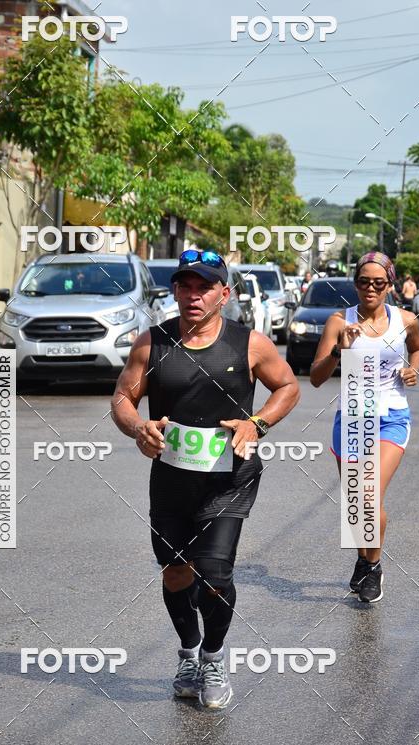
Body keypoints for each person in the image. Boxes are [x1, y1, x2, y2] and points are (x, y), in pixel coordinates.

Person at [111, 249, 300, 708]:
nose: (193, 296)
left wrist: (258, 423)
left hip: (230, 479)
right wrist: (138, 428)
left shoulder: (249, 344)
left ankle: (214, 657)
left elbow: (288, 386)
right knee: (176, 571)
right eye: (186, 286)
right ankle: (189, 653)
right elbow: (122, 398)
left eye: (204, 288)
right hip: (172, 479)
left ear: (223, 294)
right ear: (175, 291)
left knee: (214, 573)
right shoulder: (151, 344)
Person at [310, 252, 419, 603]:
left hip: (392, 417)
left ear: (390, 285)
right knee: (355, 502)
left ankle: (373, 566)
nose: (370, 288)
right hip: (352, 419)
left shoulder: (405, 320)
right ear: (355, 284)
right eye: (363, 282)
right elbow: (315, 378)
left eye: (378, 283)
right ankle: (364, 559)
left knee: (369, 496)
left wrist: (413, 370)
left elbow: (418, 349)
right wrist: (339, 351)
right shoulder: (338, 322)